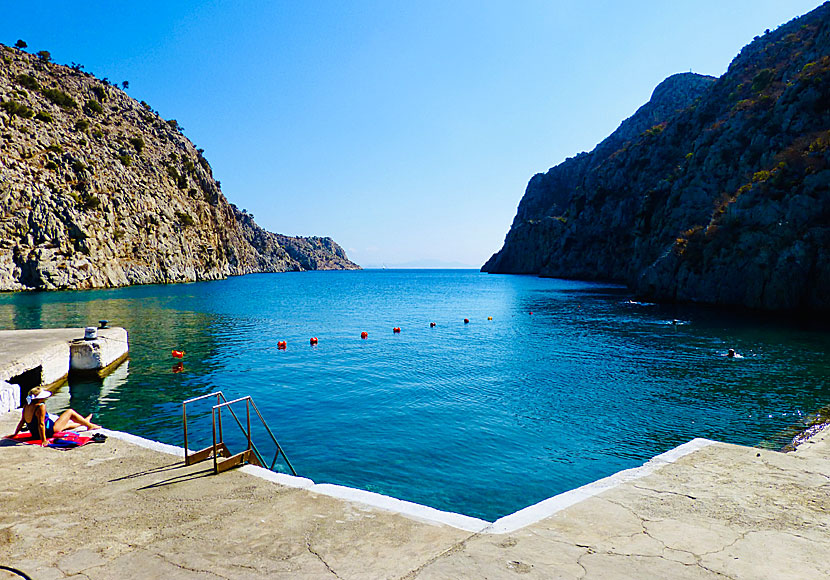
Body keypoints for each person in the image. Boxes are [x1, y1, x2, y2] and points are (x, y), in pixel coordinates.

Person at [11, 387, 101, 446]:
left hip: (35, 434)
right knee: (70, 412)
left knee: (67, 425)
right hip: (49, 431)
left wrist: (15, 434)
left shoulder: (26, 405)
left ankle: (85, 421)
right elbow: (41, 424)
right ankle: (89, 425)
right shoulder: (40, 406)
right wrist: (44, 440)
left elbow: (22, 421)